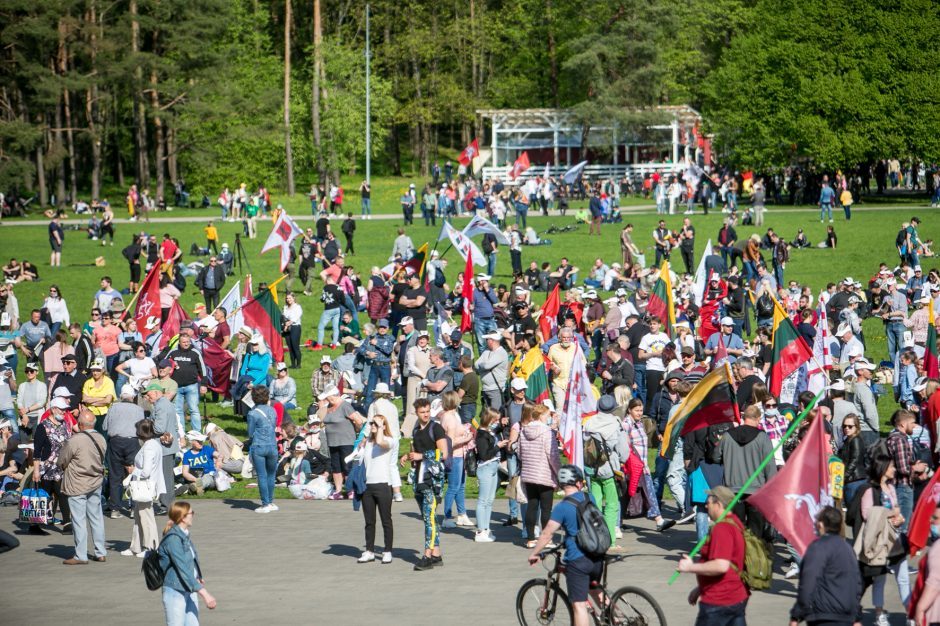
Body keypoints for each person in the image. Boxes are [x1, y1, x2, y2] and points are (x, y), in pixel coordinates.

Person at [526, 465, 605, 626]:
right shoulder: (589, 498)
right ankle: (617, 619)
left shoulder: (561, 507)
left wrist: (535, 553)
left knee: (579, 605)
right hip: (597, 555)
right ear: (578, 483)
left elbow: (547, 534)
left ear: (562, 484)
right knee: (595, 590)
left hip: (578, 560)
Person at [677, 485, 749, 625]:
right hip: (735, 596)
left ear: (719, 504)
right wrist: (700, 588)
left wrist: (690, 567)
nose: (706, 505)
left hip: (719, 601)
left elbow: (721, 565)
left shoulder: (722, 529)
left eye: (708, 502)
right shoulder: (735, 522)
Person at [789, 506, 863, 626]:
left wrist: (796, 615)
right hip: (845, 616)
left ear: (821, 524)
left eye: (817, 520)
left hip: (823, 615)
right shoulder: (848, 549)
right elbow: (856, 584)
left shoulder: (818, 547)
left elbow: (808, 582)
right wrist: (857, 616)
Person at [401, 397, 448, 571]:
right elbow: (416, 451)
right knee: (429, 518)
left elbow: (444, 453)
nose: (426, 415)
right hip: (419, 478)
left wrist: (422, 456)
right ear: (416, 412)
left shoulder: (436, 428)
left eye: (428, 411)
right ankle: (436, 554)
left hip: (432, 480)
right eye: (422, 412)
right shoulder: (416, 429)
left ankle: (427, 555)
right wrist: (408, 456)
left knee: (429, 519)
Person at [57, 410, 107, 565]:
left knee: (79, 520)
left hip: (77, 483)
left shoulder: (75, 440)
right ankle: (100, 552)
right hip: (95, 481)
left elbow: (61, 461)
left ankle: (81, 555)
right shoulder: (101, 438)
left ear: (80, 425)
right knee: (96, 517)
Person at [158, 502, 218, 625]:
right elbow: (182, 568)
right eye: (192, 513)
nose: (193, 516)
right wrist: (205, 594)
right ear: (183, 517)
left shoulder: (183, 535)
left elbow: (190, 560)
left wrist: (197, 577)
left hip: (189, 588)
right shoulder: (173, 539)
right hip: (175, 591)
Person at [519, 403, 560, 549]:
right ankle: (547, 539)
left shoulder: (524, 430)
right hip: (544, 474)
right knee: (546, 508)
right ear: (542, 415)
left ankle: (530, 538)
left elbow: (520, 453)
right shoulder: (547, 432)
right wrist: (558, 472)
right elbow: (553, 456)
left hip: (529, 473)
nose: (549, 418)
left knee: (532, 505)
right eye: (548, 415)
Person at [357, 412, 396, 564]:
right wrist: (362, 444)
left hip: (383, 484)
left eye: (377, 424)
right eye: (372, 423)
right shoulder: (367, 443)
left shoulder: (389, 440)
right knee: (369, 521)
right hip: (368, 485)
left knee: (386, 520)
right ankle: (369, 550)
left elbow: (380, 442)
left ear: (384, 426)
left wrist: (380, 427)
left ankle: (387, 550)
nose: (373, 425)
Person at [123, 419, 165, 557]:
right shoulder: (154, 444)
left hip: (146, 486)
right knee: (139, 516)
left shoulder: (149, 447)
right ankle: (136, 546)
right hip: (146, 485)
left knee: (146, 517)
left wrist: (133, 471)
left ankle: (151, 547)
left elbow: (146, 471)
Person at [102, 384, 145, 517]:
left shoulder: (113, 407)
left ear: (121, 396)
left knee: (115, 475)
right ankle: (134, 507)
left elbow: (104, 426)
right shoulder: (139, 410)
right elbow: (141, 428)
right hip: (132, 442)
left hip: (116, 441)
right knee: (134, 474)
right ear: (132, 397)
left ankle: (115, 508)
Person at [318, 385, 365, 498]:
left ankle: (350, 490)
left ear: (333, 396)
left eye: (328, 397)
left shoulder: (345, 406)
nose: (327, 400)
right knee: (336, 466)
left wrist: (357, 431)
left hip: (346, 441)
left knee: (347, 465)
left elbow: (358, 420)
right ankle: (338, 491)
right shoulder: (328, 407)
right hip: (332, 442)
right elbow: (321, 419)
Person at [144, 382, 178, 513]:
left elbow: (159, 428)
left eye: (149, 394)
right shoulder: (167, 404)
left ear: (157, 393)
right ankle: (168, 504)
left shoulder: (161, 406)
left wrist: (147, 423)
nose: (147, 397)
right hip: (168, 446)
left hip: (164, 448)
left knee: (164, 477)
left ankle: (166, 505)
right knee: (167, 476)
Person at [474, 408, 507, 542]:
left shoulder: (489, 431)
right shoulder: (481, 434)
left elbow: (493, 433)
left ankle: (486, 528)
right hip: (485, 468)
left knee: (490, 500)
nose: (496, 422)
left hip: (493, 467)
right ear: (489, 419)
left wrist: (501, 426)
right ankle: (480, 531)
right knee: (483, 500)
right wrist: (498, 446)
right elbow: (484, 455)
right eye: (495, 420)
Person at [247, 386, 278, 513]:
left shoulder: (252, 413)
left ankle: (265, 504)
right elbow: (274, 425)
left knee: (262, 475)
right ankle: (270, 502)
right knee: (271, 475)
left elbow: (250, 433)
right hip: (272, 445)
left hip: (259, 446)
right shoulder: (273, 410)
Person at [913, 504, 940, 626]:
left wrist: (920, 608)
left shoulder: (938, 548)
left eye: (935, 518)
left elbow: (934, 583)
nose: (931, 520)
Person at [179, 430, 216, 496]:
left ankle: (194, 487)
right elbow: (185, 473)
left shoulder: (206, 449)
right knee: (195, 480)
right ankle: (194, 487)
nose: (201, 443)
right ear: (191, 442)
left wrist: (220, 459)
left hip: (210, 478)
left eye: (201, 441)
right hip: (195, 478)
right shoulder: (187, 455)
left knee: (207, 477)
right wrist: (196, 480)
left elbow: (218, 455)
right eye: (198, 441)